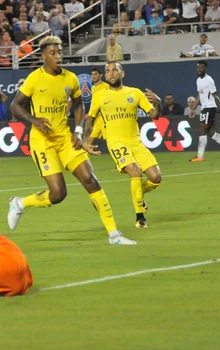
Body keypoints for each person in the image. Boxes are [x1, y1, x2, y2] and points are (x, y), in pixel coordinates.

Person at [9, 36, 135, 245]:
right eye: (53, 53)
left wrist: (78, 132)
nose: (59, 56)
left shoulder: (70, 78)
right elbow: (15, 106)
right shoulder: (34, 79)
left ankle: (114, 235)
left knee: (90, 179)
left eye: (60, 52)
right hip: (42, 140)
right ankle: (20, 203)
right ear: (44, 56)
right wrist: (34, 120)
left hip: (66, 138)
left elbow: (78, 105)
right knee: (58, 194)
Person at [85, 61, 163, 228]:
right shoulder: (99, 95)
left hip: (136, 141)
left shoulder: (134, 93)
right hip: (115, 142)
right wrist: (87, 142)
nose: (111, 73)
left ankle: (139, 194)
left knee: (156, 178)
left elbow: (155, 115)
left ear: (122, 73)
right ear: (105, 76)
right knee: (135, 172)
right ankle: (140, 216)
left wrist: (158, 102)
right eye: (108, 71)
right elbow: (90, 120)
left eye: (115, 70)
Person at [190, 61, 220, 162]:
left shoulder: (209, 80)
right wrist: (193, 108)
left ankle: (200, 156)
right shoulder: (198, 80)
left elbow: (215, 95)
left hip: (209, 108)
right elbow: (199, 95)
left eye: (201, 68)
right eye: (197, 68)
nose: (199, 70)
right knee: (211, 133)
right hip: (205, 108)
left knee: (202, 130)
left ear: (205, 69)